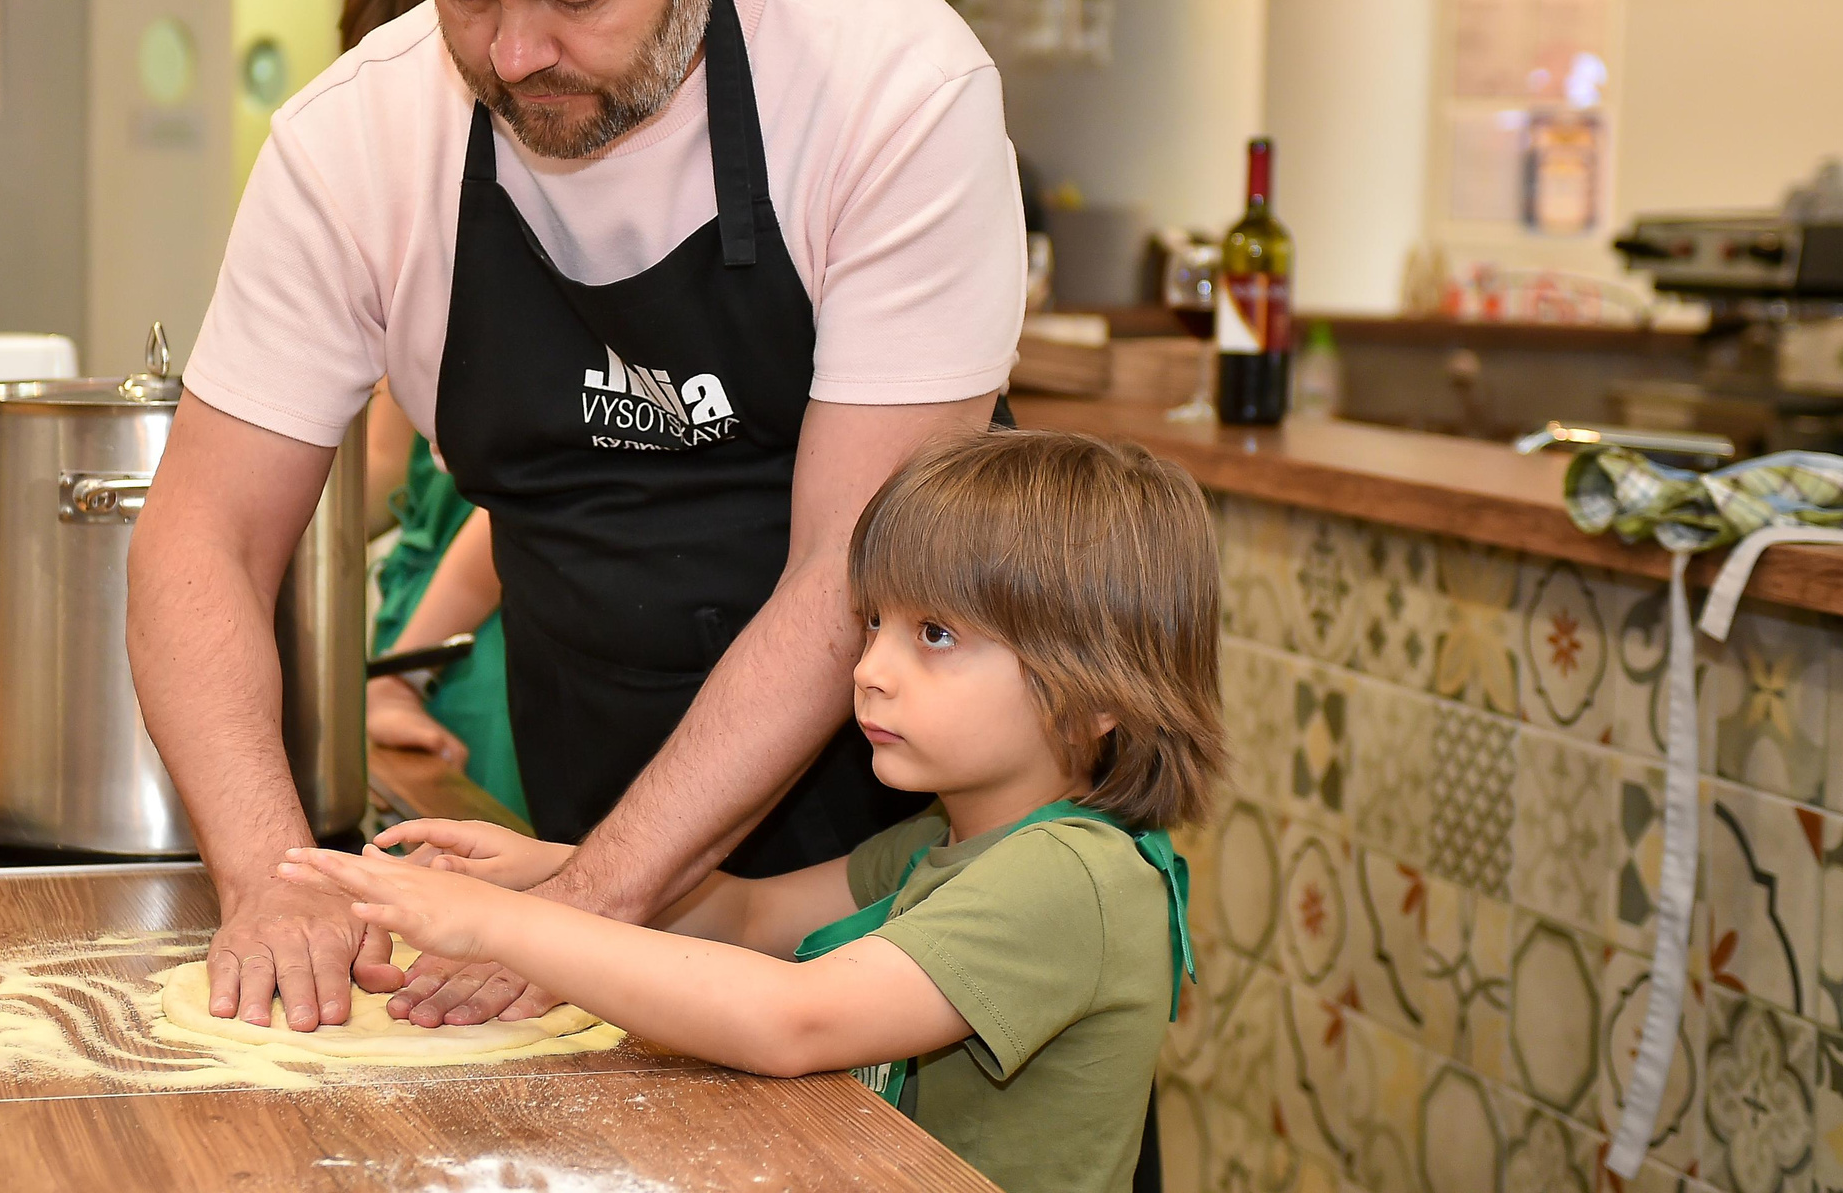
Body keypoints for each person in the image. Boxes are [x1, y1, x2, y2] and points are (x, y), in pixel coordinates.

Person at [126, 0, 1025, 1036]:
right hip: (592, 784)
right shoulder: (351, 146)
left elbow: (853, 569)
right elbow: (201, 541)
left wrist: (589, 914)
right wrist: (267, 877)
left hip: (925, 844)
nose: (517, 52)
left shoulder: (890, 89)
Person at [281, 429, 1225, 1193]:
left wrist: (505, 923)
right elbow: (748, 915)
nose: (869, 670)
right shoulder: (950, 844)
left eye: (935, 635)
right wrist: (546, 870)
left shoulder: (1071, 878)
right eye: (873, 625)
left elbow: (794, 1018)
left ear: (1104, 692)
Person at [344, 0, 526, 818]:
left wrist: (401, 672)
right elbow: (382, 458)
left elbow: (516, 517)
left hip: (480, 639)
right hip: (419, 628)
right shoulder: (426, 226)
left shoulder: (523, 237)